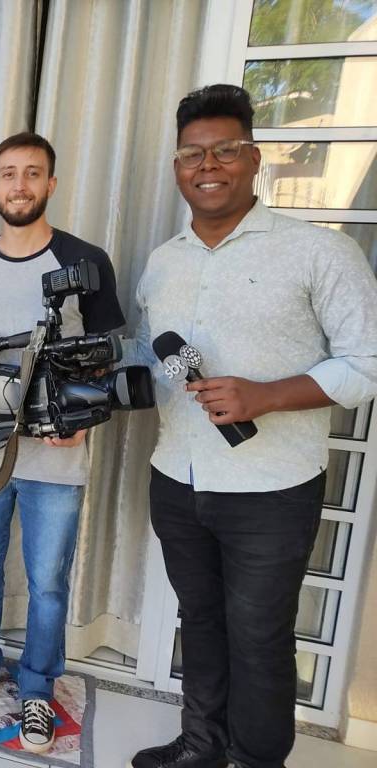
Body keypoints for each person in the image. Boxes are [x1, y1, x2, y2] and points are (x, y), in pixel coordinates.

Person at [126, 85, 377, 768]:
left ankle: (257, 760)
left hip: (272, 489)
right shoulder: (163, 261)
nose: (208, 166)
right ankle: (202, 745)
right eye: (193, 154)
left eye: (225, 150)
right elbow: (157, 358)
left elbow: (367, 364)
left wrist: (268, 395)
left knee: (260, 637)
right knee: (201, 623)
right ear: (177, 166)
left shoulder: (319, 253)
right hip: (177, 478)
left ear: (255, 158)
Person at [0, 132, 126, 754]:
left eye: (32, 173)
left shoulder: (84, 262)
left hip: (56, 462)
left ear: (51, 184)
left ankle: (37, 688)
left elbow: (111, 357)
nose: (19, 184)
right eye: (8, 173)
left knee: (48, 584)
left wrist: (87, 419)